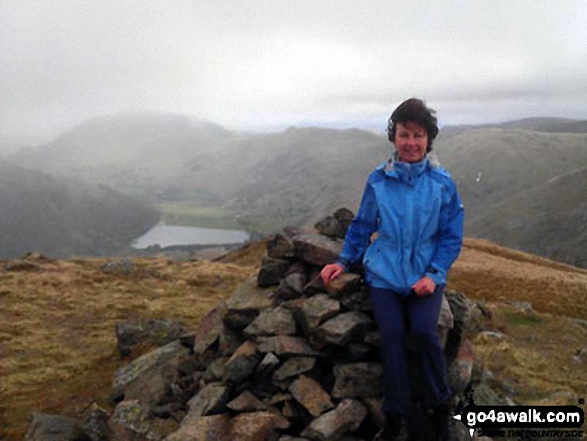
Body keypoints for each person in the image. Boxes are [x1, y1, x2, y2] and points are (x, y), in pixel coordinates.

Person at [321, 98, 464, 441]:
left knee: (425, 333)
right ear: (394, 138)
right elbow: (362, 224)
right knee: (392, 336)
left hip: (424, 275)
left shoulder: (442, 183)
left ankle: (439, 408)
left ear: (429, 139)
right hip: (384, 274)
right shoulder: (379, 180)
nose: (411, 142)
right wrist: (342, 261)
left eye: (418, 135)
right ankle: (396, 416)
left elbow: (451, 236)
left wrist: (434, 275)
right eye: (404, 134)